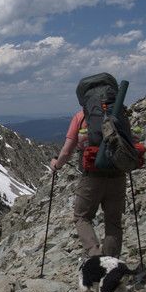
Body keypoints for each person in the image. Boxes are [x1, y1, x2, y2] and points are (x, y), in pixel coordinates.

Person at [49, 109, 126, 258]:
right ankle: (111, 265)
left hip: (92, 175)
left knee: (81, 216)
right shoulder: (119, 112)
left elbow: (66, 152)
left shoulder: (82, 116)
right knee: (113, 221)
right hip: (118, 174)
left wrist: (57, 165)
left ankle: (95, 255)